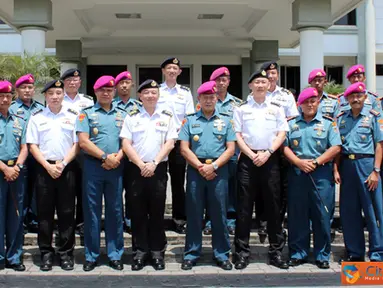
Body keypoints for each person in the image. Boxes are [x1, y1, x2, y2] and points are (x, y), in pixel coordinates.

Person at [233, 69, 289, 270]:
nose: (260, 85)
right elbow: (237, 135)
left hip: (270, 159)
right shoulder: (241, 109)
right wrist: (251, 153)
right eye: (256, 82)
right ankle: (241, 253)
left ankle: (276, 253)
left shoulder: (276, 108)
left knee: (274, 208)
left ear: (268, 85)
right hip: (248, 160)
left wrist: (267, 152)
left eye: (263, 82)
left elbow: (282, 133)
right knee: (244, 209)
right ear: (250, 86)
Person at [120, 79, 177, 271]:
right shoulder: (132, 116)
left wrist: (153, 163)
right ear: (140, 96)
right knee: (137, 213)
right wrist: (141, 164)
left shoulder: (168, 116)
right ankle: (139, 252)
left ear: (158, 96)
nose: (151, 96)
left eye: (154, 92)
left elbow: (170, 143)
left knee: (157, 213)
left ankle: (157, 252)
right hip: (136, 170)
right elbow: (126, 143)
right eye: (147, 93)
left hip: (158, 169)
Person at [282, 87, 341, 269]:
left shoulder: (328, 123)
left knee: (322, 215)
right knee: (297, 215)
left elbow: (336, 147)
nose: (309, 104)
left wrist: (316, 162)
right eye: (306, 101)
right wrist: (299, 163)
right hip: (298, 173)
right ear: (299, 104)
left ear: (318, 103)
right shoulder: (291, 123)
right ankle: (298, 253)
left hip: (321, 173)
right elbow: (284, 147)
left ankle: (322, 255)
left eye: (313, 101)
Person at [179, 81, 235, 271]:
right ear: (199, 100)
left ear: (216, 99)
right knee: (194, 213)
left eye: (212, 97)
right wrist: (200, 167)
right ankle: (192, 254)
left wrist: (215, 166)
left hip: (219, 170)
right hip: (196, 170)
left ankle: (222, 254)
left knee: (219, 213)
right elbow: (184, 148)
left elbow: (231, 148)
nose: (209, 100)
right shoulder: (190, 120)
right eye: (205, 97)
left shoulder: (226, 120)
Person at [26, 80, 79, 271]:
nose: (55, 96)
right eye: (51, 94)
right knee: (44, 214)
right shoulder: (36, 117)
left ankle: (66, 254)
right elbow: (32, 145)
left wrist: (62, 164)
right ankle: (46, 254)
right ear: (45, 97)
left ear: (63, 94)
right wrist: (48, 167)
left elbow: (77, 144)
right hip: (44, 169)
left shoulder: (73, 116)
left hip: (66, 169)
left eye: (58, 93)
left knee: (66, 213)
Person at [76, 76, 126, 272]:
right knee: (92, 212)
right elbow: (83, 142)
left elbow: (128, 140)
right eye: (102, 90)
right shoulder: (86, 114)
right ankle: (92, 255)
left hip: (116, 167)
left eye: (110, 90)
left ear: (114, 92)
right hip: (93, 167)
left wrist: (117, 158)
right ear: (95, 92)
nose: (106, 93)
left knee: (115, 211)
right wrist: (105, 157)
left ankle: (115, 255)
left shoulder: (123, 114)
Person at [335, 82, 383, 262]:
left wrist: (376, 171)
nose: (355, 99)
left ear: (365, 97)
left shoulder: (374, 117)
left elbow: (380, 144)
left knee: (373, 211)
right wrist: (336, 169)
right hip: (347, 166)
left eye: (359, 96)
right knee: (349, 211)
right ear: (347, 99)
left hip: (367, 165)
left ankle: (377, 253)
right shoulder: (341, 118)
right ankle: (355, 252)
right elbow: (338, 146)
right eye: (352, 96)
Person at [261, 61, 299, 242]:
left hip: (281, 147)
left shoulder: (286, 95)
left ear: (277, 75)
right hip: (261, 148)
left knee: (280, 188)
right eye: (267, 73)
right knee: (261, 187)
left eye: (273, 73)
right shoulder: (256, 93)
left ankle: (278, 221)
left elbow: (292, 119)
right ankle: (262, 222)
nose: (270, 76)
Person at [201, 67, 242, 236]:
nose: (221, 83)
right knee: (211, 190)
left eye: (224, 80)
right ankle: (210, 220)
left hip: (231, 153)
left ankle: (230, 220)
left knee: (231, 189)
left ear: (229, 82)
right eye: (218, 80)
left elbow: (240, 129)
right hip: (212, 154)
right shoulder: (205, 101)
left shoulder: (238, 104)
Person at [159, 57, 195, 234]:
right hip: (159, 142)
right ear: (163, 71)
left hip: (179, 141)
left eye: (175, 68)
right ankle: (156, 218)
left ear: (180, 72)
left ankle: (179, 219)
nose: (172, 71)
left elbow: (188, 117)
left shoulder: (185, 92)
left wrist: (178, 136)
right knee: (157, 179)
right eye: (169, 68)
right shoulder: (156, 91)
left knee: (179, 181)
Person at [61, 68, 94, 238]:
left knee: (83, 187)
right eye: (69, 80)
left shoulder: (88, 101)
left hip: (83, 151)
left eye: (75, 80)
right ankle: (66, 223)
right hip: (65, 149)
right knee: (67, 189)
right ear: (64, 83)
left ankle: (81, 222)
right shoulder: (59, 99)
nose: (72, 83)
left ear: (80, 82)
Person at [307, 68, 340, 242]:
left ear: (325, 82)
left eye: (321, 80)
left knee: (324, 203)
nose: (318, 82)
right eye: (315, 80)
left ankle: (327, 227)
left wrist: (335, 166)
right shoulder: (304, 101)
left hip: (326, 158)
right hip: (306, 161)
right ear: (310, 82)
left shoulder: (334, 103)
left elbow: (336, 136)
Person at [10, 74, 44, 233]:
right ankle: (20, 221)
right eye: (23, 87)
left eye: (30, 87)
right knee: (21, 190)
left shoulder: (41, 108)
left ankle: (35, 220)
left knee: (38, 189)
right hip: (19, 156)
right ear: (17, 90)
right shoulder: (11, 108)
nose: (27, 90)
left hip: (38, 156)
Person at [0, 81, 28, 272]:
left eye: (8, 96)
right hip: (1, 171)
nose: (4, 99)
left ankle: (14, 256)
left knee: (15, 217)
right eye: (1, 96)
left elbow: (25, 147)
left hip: (16, 173)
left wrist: (17, 166)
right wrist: (5, 169)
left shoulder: (19, 120)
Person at [114, 70, 142, 234]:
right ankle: (119, 221)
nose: (124, 86)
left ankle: (131, 221)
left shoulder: (138, 106)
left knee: (132, 191)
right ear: (117, 86)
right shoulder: (111, 105)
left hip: (133, 156)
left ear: (132, 85)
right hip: (116, 155)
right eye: (121, 83)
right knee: (116, 191)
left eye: (127, 83)